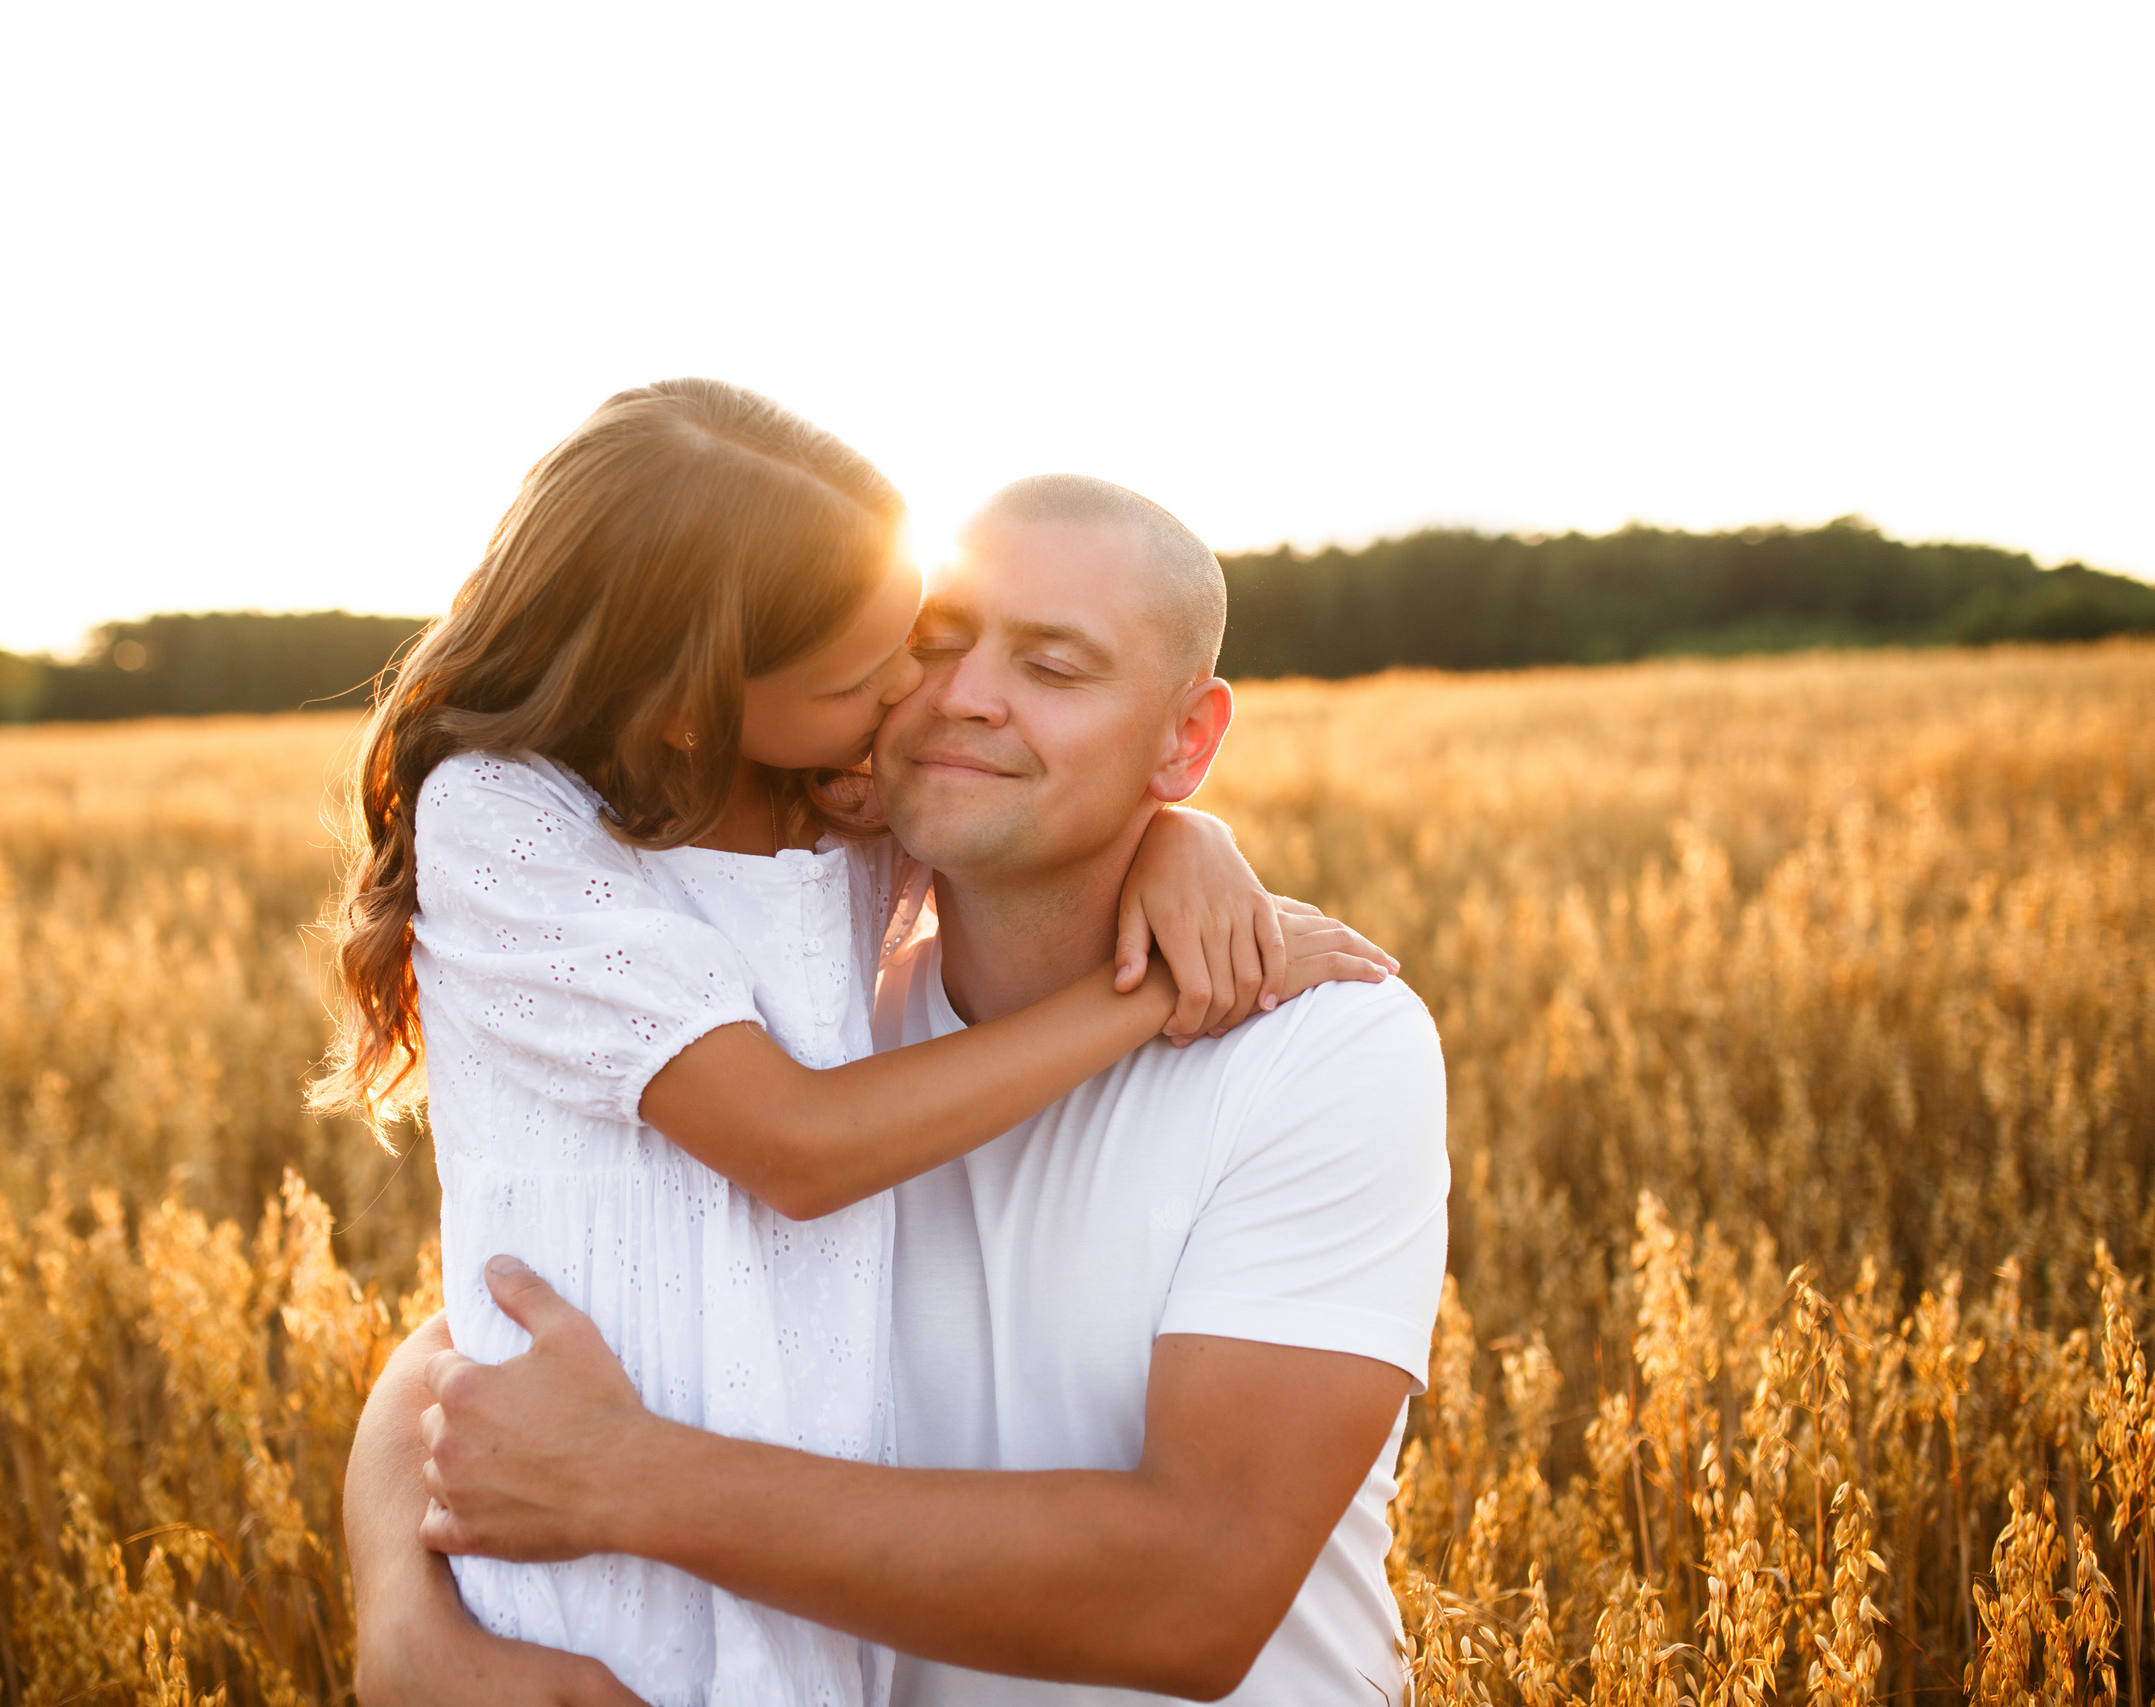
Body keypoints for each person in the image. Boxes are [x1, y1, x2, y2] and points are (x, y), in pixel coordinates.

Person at [318, 386, 1398, 1707]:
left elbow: (1039, 809)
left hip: (803, 1624)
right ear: (689, 706)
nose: (924, 699)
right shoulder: (530, 826)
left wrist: (1184, 833)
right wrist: (400, 1608)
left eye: (914, 644)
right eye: (890, 663)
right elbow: (747, 1175)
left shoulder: (832, 818)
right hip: (591, 1606)